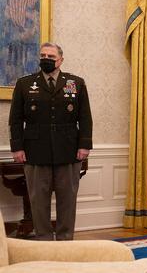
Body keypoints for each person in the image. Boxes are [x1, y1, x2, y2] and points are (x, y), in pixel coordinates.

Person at [8, 43, 92, 240]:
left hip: (69, 151)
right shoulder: (25, 84)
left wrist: (84, 145)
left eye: (51, 56)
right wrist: (17, 147)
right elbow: (16, 119)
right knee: (38, 201)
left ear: (60, 60)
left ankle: (65, 241)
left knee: (67, 200)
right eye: (43, 55)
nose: (46, 58)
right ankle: (43, 241)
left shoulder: (75, 83)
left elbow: (85, 117)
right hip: (35, 151)